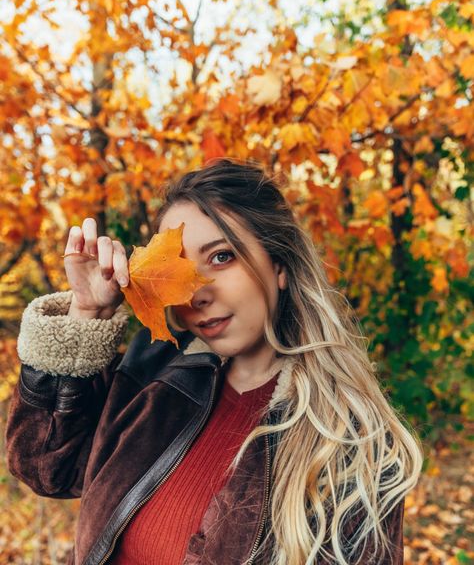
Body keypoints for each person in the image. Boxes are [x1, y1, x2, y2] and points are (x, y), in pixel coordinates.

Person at [6, 158, 423, 565]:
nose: (197, 291)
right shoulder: (153, 375)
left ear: (278, 265)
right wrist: (87, 312)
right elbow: (46, 467)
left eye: (222, 257)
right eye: (180, 268)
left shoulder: (349, 441)